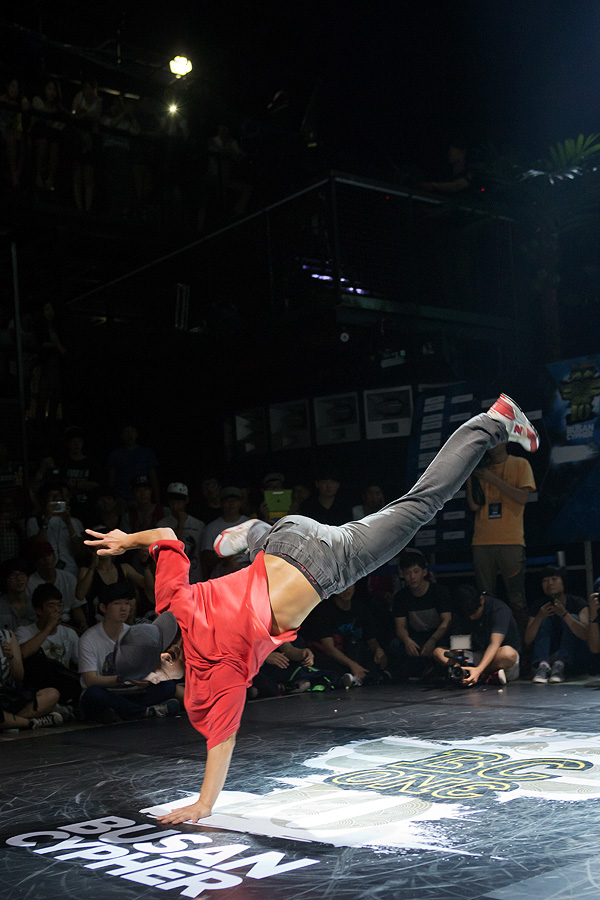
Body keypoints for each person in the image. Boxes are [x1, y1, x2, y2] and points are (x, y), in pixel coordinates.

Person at [84, 393, 538, 825]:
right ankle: (254, 530)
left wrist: (204, 804)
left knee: (422, 503)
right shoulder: (173, 601)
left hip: (328, 564)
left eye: (152, 678)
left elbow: (221, 742)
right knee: (259, 557)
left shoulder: (214, 672)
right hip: (288, 534)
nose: (155, 684)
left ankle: (494, 421)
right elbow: (166, 534)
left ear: (165, 657)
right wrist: (127, 540)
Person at [77, 582, 180, 723]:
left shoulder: (134, 633)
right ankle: (144, 711)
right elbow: (90, 680)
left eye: (127, 603)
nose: (124, 608)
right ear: (103, 607)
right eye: (117, 604)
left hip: (132, 691)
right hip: (108, 692)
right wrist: (122, 678)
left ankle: (128, 712)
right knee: (93, 694)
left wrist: (146, 676)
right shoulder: (89, 639)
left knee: (167, 686)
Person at [466, 440, 536, 634]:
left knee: (516, 596)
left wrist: (493, 480)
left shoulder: (520, 464)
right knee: (485, 597)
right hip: (482, 540)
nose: (491, 445)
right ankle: (491, 640)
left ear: (505, 441)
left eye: (495, 440)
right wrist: (471, 477)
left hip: (511, 540)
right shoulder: (480, 469)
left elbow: (523, 497)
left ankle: (521, 642)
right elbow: (474, 505)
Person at [433, 584, 521, 685]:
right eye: (468, 615)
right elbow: (459, 645)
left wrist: (479, 670)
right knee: (438, 652)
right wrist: (458, 663)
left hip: (496, 656)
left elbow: (494, 644)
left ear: (481, 600)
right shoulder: (461, 612)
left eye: (474, 613)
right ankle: (469, 674)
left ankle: (482, 674)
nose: (471, 618)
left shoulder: (499, 610)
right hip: (475, 656)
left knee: (507, 654)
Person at [390, 549, 452, 680]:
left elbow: (446, 620)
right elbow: (400, 626)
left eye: (416, 572)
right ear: (402, 575)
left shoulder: (438, 591)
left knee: (443, 649)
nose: (412, 577)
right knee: (396, 646)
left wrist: (433, 640)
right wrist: (407, 641)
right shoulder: (401, 597)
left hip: (438, 636)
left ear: (424, 572)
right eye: (407, 573)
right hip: (417, 638)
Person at [525, 565, 592, 684]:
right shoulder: (539, 605)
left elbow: (586, 635)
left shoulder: (578, 603)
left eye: (554, 579)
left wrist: (565, 614)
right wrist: (539, 617)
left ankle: (560, 665)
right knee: (543, 620)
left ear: (563, 581)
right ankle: (543, 666)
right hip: (551, 655)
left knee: (573, 617)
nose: (550, 583)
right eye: (545, 580)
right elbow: (527, 640)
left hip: (575, 657)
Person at [157, 483, 205, 584]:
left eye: (179, 500)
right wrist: (181, 524)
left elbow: (202, 554)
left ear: (186, 500)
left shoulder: (199, 525)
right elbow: (173, 549)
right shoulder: (162, 525)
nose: (176, 504)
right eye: (173, 500)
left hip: (195, 577)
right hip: (172, 577)